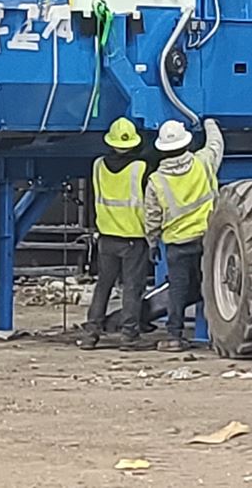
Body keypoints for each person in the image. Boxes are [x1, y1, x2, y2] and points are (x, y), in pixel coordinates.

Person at [142, 116, 223, 352]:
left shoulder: (156, 180)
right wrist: (209, 122)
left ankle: (174, 336)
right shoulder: (202, 163)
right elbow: (216, 145)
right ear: (186, 143)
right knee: (211, 285)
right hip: (206, 239)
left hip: (177, 245)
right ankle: (215, 334)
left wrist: (152, 243)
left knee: (177, 290)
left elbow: (152, 217)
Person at [79, 117, 152, 350]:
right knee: (132, 287)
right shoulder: (140, 168)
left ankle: (91, 332)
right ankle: (129, 336)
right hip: (133, 238)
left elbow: (92, 198)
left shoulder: (98, 165)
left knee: (104, 285)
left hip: (106, 237)